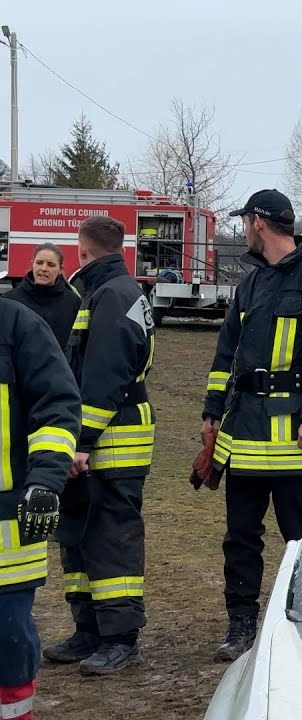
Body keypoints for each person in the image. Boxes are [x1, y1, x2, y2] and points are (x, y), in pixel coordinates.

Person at [202, 189, 302, 662]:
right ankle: (241, 624)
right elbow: (226, 353)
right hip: (244, 432)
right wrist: (212, 410)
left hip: (294, 438)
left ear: (258, 223)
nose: (244, 229)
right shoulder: (250, 283)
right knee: (240, 538)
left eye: (246, 222)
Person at [43, 216, 157, 675]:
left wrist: (82, 441)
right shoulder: (112, 291)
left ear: (82, 250)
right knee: (79, 536)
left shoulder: (112, 295)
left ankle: (120, 637)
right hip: (99, 438)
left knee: (112, 539)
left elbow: (105, 375)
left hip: (112, 440)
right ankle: (88, 629)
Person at [0, 299, 80, 720]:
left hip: (5, 533)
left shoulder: (16, 326)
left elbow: (56, 407)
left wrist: (45, 482)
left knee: (8, 641)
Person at [3, 242, 81, 348]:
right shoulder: (10, 300)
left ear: (60, 269)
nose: (44, 268)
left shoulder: (73, 303)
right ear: (32, 264)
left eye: (51, 264)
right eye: (39, 263)